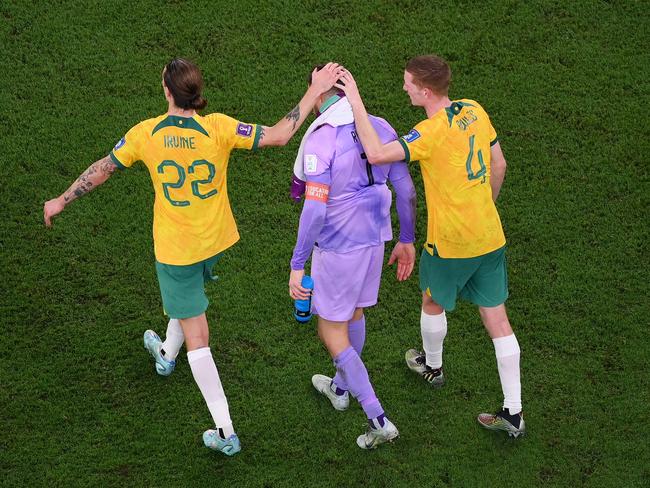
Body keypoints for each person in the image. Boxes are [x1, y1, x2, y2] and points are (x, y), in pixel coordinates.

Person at [43, 58, 344, 456]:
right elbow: (278, 135)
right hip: (214, 241)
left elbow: (103, 169)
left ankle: (225, 431)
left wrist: (62, 200)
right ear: (196, 93)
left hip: (177, 251)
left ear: (167, 91)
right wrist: (313, 90)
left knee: (198, 336)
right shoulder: (218, 127)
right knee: (185, 306)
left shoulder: (146, 134)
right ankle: (166, 353)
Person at [335, 55, 525, 438]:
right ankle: (514, 411)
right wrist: (483, 208)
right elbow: (499, 165)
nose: (403, 87)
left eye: (407, 83)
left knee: (432, 301)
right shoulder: (473, 109)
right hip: (490, 235)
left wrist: (354, 99)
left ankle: (433, 366)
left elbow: (375, 154)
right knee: (498, 320)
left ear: (425, 90)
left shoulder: (429, 132)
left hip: (450, 244)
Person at [288, 66, 417, 449]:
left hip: (340, 248)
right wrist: (406, 238)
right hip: (375, 240)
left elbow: (313, 212)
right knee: (355, 313)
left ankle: (377, 417)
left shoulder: (320, 141)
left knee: (330, 330)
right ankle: (340, 387)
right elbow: (405, 188)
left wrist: (297, 264)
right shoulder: (378, 124)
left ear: (317, 99)